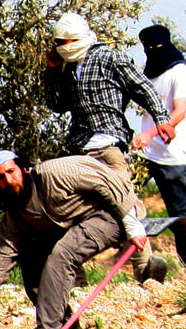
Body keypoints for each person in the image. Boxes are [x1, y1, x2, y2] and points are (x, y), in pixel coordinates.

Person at [0, 150, 168, 329]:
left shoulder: (54, 173)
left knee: (63, 254)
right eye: (1, 177)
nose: (9, 179)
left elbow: (106, 180)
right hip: (76, 227)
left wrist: (133, 226)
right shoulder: (15, 216)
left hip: (111, 215)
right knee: (32, 261)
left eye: (11, 171)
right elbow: (1, 260)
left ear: (24, 169)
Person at [44, 12, 175, 201]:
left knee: (122, 202)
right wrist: (52, 71)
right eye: (58, 43)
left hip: (109, 146)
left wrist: (162, 120)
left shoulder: (109, 58)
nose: (61, 48)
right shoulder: (68, 67)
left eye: (65, 42)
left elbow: (143, 88)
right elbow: (57, 104)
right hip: (78, 149)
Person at [131, 24, 186, 272]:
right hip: (145, 153)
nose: (153, 50)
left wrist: (151, 133)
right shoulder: (147, 71)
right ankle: (140, 264)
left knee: (181, 214)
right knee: (123, 199)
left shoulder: (179, 72)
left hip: (171, 154)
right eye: (147, 47)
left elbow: (179, 112)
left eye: (157, 46)